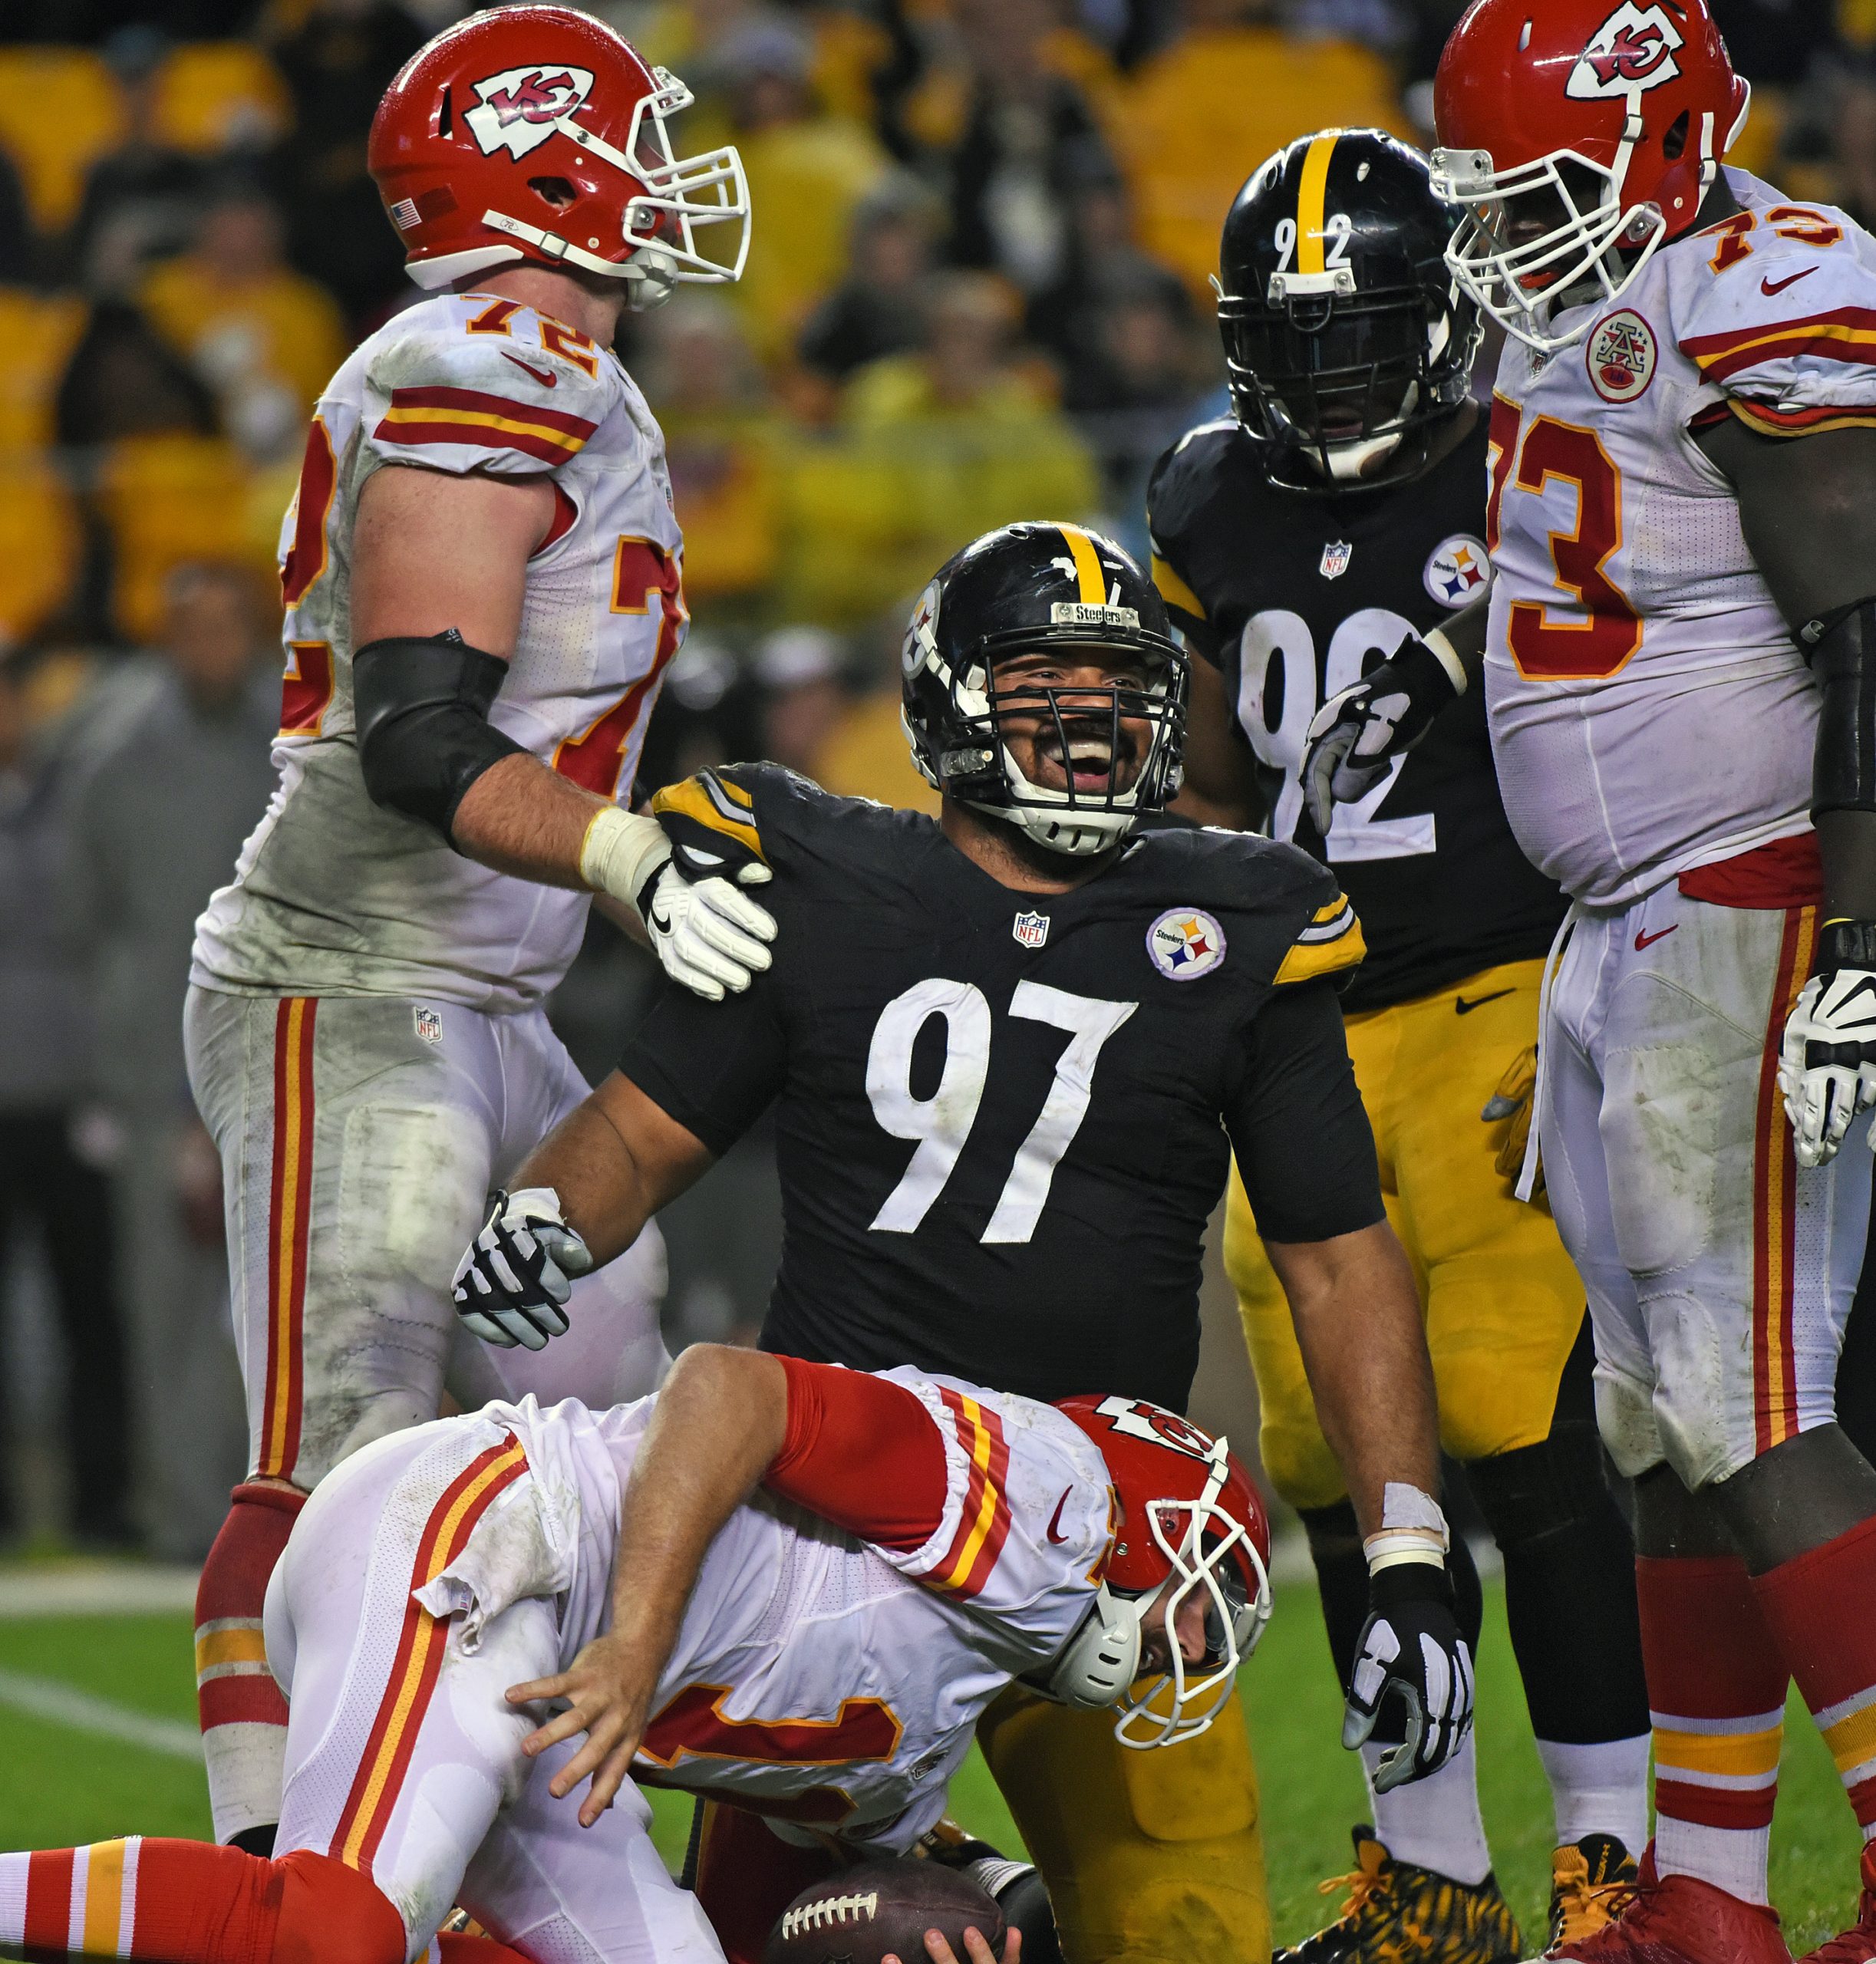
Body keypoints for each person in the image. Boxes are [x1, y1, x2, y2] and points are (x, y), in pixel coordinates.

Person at [453, 521, 1476, 1964]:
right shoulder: (819, 877)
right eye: (1045, 682)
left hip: (1102, 1524)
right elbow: (641, 1131)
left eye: (1118, 688)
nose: (1088, 722)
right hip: (823, 1528)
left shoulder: (1242, 917)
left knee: (1185, 1938)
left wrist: (1408, 1546)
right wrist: (551, 1213)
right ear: (948, 694)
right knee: (743, 1944)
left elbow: (1335, 1255)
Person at [1300, 2, 1876, 1956]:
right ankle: (1703, 1905)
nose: (1501, 236)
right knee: (1648, 1431)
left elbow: (1867, 620)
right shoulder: (1590, 300)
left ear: (1654, 141)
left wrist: (1862, 945)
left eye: (1532, 190)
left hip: (1758, 895)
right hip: (1622, 923)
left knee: (1745, 1397)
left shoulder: (1764, 278)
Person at [181, 6, 771, 1860]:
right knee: (344, 1447)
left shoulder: (559, 371)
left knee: (597, 1444)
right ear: (542, 166)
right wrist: (635, 858)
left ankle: (550, 1870)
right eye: (629, 138)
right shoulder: (482, 362)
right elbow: (425, 734)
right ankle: (287, 1878)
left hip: (494, 997)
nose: (668, 178)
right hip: (352, 980)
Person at [1147, 130, 1651, 1962]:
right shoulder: (1207, 495)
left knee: (1531, 1435)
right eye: (1293, 343)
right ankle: (1428, 1874)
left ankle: (1608, 1863)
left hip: (1490, 983)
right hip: (1296, 1022)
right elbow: (1208, 765)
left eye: (1360, 335)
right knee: (1336, 1469)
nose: (1326, 377)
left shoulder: (1525, 454)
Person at [0, 1344, 1269, 1964]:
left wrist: (999, 1926)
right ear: (1130, 1521)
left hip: (558, 1703)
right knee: (333, 1932)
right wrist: (637, 1638)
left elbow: (841, 1882)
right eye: (1211, 1593)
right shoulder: (1041, 1501)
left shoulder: (942, 1716)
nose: (1199, 1646)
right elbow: (726, 1388)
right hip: (493, 1538)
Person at [66, 562, 279, 1561]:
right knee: (162, 1304)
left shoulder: (293, 748)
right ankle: (180, 1514)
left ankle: (267, 1512)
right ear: (167, 640)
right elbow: (83, 918)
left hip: (276, 1070)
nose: (212, 652)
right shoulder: (116, 759)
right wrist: (109, 1067)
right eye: (193, 632)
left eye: (227, 630)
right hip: (156, 1078)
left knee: (277, 1306)